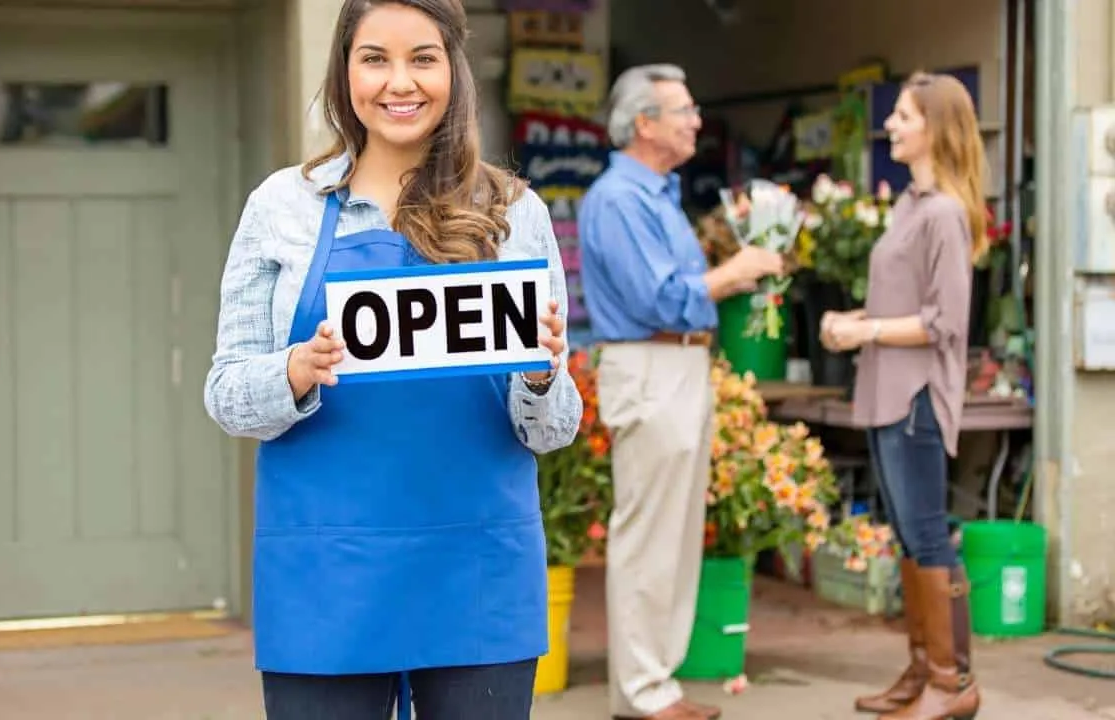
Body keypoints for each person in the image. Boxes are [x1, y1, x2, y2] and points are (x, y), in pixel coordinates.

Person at [203, 1, 582, 718]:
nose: (398, 82)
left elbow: (552, 430)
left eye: (423, 58)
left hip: (478, 566)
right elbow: (225, 394)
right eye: (374, 58)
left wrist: (540, 374)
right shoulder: (282, 206)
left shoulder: (513, 213)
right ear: (344, 71)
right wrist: (295, 370)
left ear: (454, 72)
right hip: (326, 570)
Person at [578, 64, 785, 720]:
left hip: (675, 367)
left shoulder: (655, 195)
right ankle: (641, 693)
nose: (697, 120)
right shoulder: (619, 197)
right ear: (645, 124)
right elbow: (661, 298)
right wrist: (738, 269)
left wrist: (729, 250)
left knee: (673, 533)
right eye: (685, 110)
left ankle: (655, 685)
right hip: (651, 364)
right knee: (649, 535)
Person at [820, 71, 986, 720]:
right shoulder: (909, 206)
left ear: (936, 129)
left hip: (916, 393)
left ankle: (952, 680)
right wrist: (853, 322)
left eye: (905, 116)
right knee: (910, 540)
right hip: (885, 388)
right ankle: (924, 672)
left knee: (926, 535)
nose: (891, 124)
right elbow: (902, 304)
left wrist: (865, 330)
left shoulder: (944, 213)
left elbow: (946, 320)